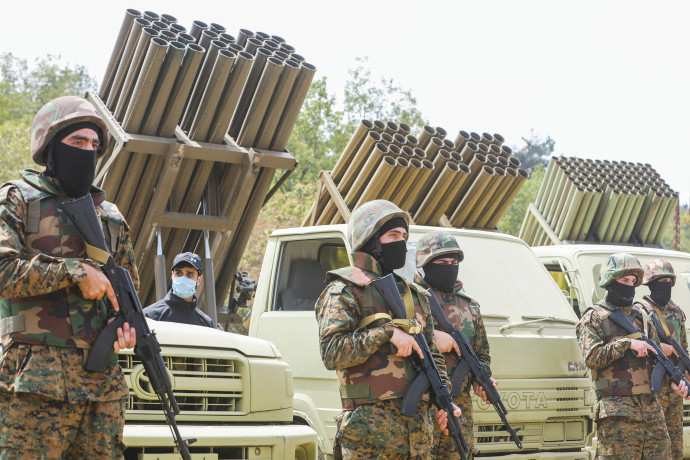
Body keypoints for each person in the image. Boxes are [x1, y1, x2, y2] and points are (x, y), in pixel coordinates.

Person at [0, 95, 138, 459]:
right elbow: (3, 272)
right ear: (50, 147)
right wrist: (75, 271)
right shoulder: (17, 200)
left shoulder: (109, 216)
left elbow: (126, 292)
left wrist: (124, 326)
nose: (87, 152)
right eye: (78, 142)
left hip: (101, 388)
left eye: (94, 145)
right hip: (32, 382)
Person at [315, 199, 460, 459]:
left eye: (404, 236)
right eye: (393, 235)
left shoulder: (413, 294)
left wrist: (443, 402)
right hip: (369, 435)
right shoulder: (344, 289)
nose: (401, 242)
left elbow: (432, 355)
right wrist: (386, 333)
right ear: (370, 240)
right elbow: (331, 352)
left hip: (418, 435)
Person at [576, 253, 687, 459]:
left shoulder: (641, 317)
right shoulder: (594, 317)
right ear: (610, 281)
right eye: (624, 280)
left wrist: (673, 381)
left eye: (633, 281)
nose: (630, 285)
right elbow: (592, 357)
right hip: (618, 414)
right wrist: (626, 344)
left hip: (652, 412)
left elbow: (655, 361)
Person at [414, 230, 495, 459]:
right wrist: (433, 340)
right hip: (423, 412)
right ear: (425, 263)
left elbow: (482, 355)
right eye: (442, 262)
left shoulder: (469, 306)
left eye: (454, 262)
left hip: (460, 413)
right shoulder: (409, 299)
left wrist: (481, 379)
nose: (449, 267)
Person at [636, 259, 688, 460]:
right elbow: (637, 347)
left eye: (668, 280)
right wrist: (659, 348)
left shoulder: (676, 312)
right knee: (653, 448)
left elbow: (683, 349)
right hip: (651, 390)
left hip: (674, 390)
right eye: (660, 280)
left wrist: (686, 375)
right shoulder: (639, 311)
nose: (665, 284)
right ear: (650, 283)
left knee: (675, 447)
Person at [143, 252, 216, 328]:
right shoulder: (149, 316)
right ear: (172, 275)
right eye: (179, 273)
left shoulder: (205, 324)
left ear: (199, 280)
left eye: (190, 274)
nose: (183, 279)